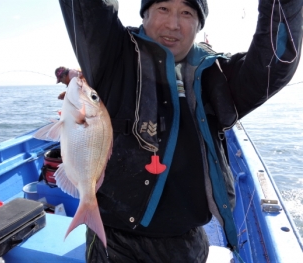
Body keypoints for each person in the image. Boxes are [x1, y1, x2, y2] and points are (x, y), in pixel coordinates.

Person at [58, 0, 302, 262]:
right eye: (163, 9)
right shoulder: (111, 53)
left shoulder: (215, 75)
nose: (173, 24)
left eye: (186, 13)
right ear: (145, 15)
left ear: (199, 25)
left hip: (186, 243)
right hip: (114, 241)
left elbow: (276, 61)